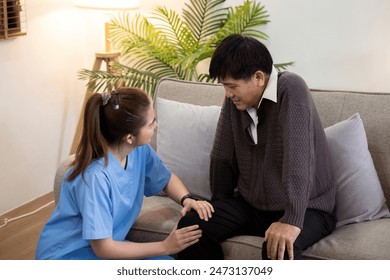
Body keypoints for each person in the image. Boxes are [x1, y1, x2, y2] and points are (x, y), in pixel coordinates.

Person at [177, 34, 336, 260]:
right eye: (225, 86)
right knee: (191, 227)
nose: (227, 93)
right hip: (253, 205)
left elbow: (298, 160)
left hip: (308, 208)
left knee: (278, 250)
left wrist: (291, 220)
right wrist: (217, 207)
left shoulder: (291, 88)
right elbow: (222, 155)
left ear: (259, 77)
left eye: (232, 86)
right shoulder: (236, 100)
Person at [36, 87, 214, 260]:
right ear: (129, 137)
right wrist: (166, 246)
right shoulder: (95, 178)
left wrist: (187, 199)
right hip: (68, 255)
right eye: (151, 123)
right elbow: (103, 248)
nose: (156, 125)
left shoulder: (139, 151)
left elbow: (165, 179)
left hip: (104, 249)